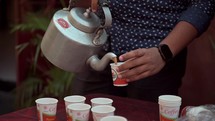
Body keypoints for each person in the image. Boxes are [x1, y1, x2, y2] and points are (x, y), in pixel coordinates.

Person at [71, 0, 215, 102]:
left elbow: (203, 4)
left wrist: (163, 52)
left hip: (153, 56)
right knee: (81, 110)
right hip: (99, 45)